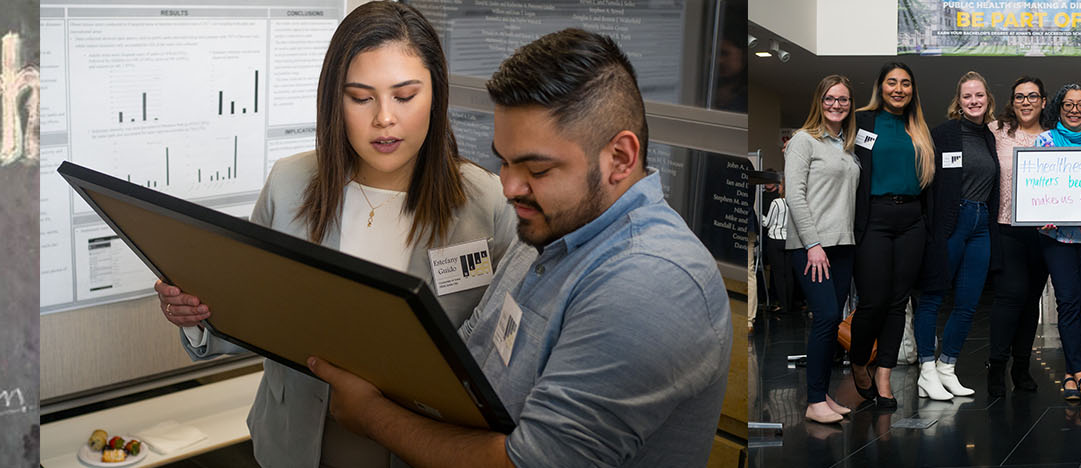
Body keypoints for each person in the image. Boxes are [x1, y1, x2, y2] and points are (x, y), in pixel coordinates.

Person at [303, 28, 730, 466]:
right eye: (503, 161)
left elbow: (526, 463)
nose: (508, 187)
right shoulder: (548, 227)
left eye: (537, 169)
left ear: (619, 158)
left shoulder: (651, 283)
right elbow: (473, 352)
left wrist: (372, 416)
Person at [154, 4, 518, 467]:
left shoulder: (486, 202)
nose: (384, 118)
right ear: (334, 101)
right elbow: (251, 313)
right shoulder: (288, 185)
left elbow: (501, 353)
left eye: (405, 96)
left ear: (436, 95)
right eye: (362, 98)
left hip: (422, 445)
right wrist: (198, 315)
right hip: (296, 442)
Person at [849, 62, 937, 409]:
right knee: (873, 300)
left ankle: (884, 377)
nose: (899, 89)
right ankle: (858, 360)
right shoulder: (863, 121)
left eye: (905, 84)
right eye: (892, 83)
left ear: (913, 90)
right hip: (874, 217)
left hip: (912, 219)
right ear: (880, 87)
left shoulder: (919, 128)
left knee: (899, 303)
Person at [913, 71, 998, 401]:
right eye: (967, 96)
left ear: (988, 99)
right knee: (933, 297)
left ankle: (947, 367)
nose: (974, 101)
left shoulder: (989, 136)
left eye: (979, 95)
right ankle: (926, 370)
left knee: (968, 303)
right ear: (958, 102)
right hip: (951, 221)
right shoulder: (944, 134)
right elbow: (928, 182)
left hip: (981, 224)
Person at [784, 75, 862, 423]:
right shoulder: (804, 140)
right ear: (820, 101)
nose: (836, 105)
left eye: (843, 100)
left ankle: (823, 395)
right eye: (830, 98)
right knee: (827, 317)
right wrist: (812, 244)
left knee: (831, 324)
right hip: (812, 246)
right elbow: (793, 194)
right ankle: (814, 401)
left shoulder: (845, 145)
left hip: (843, 244)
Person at [1031, 83, 1081, 402]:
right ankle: (1078, 371)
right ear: (1059, 108)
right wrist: (1040, 212)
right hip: (1056, 235)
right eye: (1069, 104)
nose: (1075, 109)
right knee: (1066, 300)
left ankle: (1073, 373)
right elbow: (1035, 186)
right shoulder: (1044, 141)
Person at [985, 76, 1048, 396]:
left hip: (1043, 230)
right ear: (1012, 101)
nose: (1026, 101)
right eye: (1020, 96)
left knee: (1030, 300)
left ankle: (1021, 368)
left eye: (1032, 96)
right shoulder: (997, 131)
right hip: (1006, 225)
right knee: (1010, 296)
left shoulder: (1054, 138)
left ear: (1043, 102)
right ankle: (996, 367)